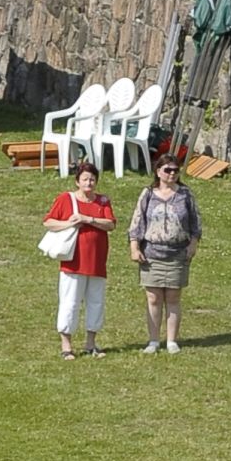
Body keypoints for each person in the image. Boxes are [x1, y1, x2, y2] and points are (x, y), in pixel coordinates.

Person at [129, 153, 202, 353]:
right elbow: (137, 221)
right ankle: (153, 340)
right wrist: (134, 247)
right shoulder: (148, 194)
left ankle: (171, 341)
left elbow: (196, 222)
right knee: (153, 298)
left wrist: (193, 244)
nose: (172, 174)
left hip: (177, 253)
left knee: (173, 297)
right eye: (167, 170)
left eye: (175, 170)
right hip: (151, 253)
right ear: (158, 171)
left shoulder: (186, 194)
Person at [46, 157, 114, 358]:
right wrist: (70, 224)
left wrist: (88, 219)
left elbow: (110, 224)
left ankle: (91, 343)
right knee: (70, 302)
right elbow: (49, 222)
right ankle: (66, 345)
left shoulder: (103, 201)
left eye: (92, 179)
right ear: (77, 181)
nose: (88, 183)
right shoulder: (66, 199)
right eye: (85, 179)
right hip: (73, 262)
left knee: (96, 301)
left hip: (97, 261)